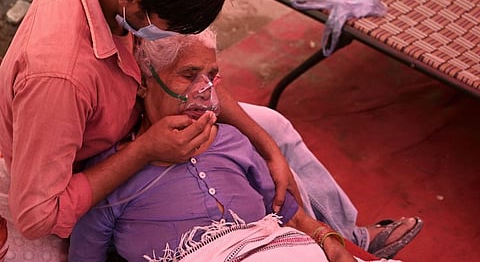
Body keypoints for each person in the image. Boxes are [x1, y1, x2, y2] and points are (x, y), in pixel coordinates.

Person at [0, 0, 421, 260]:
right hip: (60, 158)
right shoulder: (59, 78)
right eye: (172, 26)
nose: (175, 36)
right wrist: (144, 150)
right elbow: (37, 215)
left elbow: (193, 71)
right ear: (130, 0)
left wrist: (266, 148)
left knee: (273, 128)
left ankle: (347, 236)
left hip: (120, 112)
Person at [68, 28, 409, 262]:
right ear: (144, 82)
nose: (203, 91)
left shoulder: (231, 141)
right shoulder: (113, 174)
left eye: (211, 76)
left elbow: (290, 216)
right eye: (188, 76)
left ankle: (351, 236)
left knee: (275, 126)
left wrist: (330, 241)